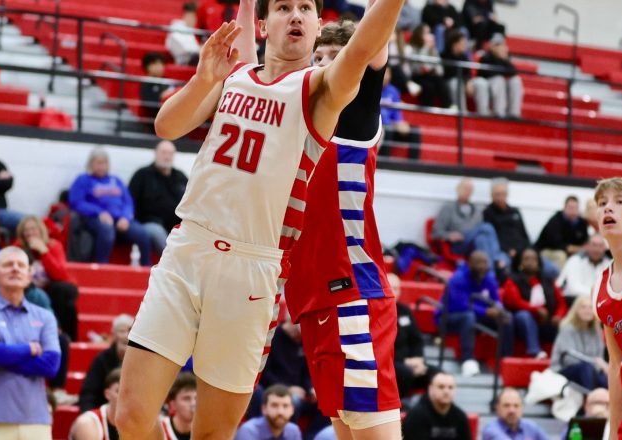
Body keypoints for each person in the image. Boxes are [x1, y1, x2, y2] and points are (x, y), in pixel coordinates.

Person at [117, 0, 406, 437]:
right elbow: (166, 126)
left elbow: (365, 47)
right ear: (266, 24)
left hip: (255, 268)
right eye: (284, 7)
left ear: (318, 24)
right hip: (189, 248)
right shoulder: (235, 75)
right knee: (130, 417)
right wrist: (204, 77)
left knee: (212, 432)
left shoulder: (319, 91)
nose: (295, 15)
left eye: (305, 7)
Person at [260, 6, 402, 438]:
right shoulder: (299, 120)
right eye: (318, 57)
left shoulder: (356, 116)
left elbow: (374, 39)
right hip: (311, 302)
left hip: (351, 294)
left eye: (336, 57)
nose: (324, 65)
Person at [0, 246, 61, 439]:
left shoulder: (45, 316)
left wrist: (1, 357)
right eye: (8, 264)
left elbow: (51, 366)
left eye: (21, 265)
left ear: (29, 275)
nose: (15, 268)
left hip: (36, 422)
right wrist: (29, 349)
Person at [592, 177, 622, 440]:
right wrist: (613, 432)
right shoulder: (600, 287)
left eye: (620, 201)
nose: (608, 207)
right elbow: (617, 366)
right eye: (602, 203)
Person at [69, 147, 151, 266]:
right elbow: (76, 202)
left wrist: (125, 217)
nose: (102, 166)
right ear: (91, 164)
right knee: (107, 230)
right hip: (95, 218)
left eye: (104, 163)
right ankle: (103, 267)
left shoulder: (116, 180)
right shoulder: (83, 180)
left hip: (120, 219)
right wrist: (99, 212)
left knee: (142, 233)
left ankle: (147, 269)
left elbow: (128, 202)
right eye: (98, 163)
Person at [437, 250, 513, 377]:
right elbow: (460, 305)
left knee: (506, 318)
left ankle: (504, 360)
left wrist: (499, 309)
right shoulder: (458, 278)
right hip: (450, 317)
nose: (481, 267)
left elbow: (496, 300)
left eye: (484, 263)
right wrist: (485, 311)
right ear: (470, 264)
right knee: (468, 317)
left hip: (476, 316)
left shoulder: (489, 278)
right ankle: (467, 360)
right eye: (478, 263)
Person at [16, 215, 79, 340]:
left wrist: (44, 252)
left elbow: (60, 275)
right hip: (30, 290)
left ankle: (67, 337)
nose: (30, 233)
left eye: (33, 229)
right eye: (26, 230)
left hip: (52, 289)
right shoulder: (18, 248)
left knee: (64, 293)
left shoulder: (53, 246)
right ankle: (56, 333)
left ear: (41, 230)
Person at [502, 247, 567, 359]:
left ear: (539, 262)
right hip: (521, 324)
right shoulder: (512, 279)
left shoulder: (548, 280)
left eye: (533, 259)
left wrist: (558, 316)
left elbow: (561, 303)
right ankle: (534, 351)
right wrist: (536, 310)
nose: (530, 262)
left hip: (546, 322)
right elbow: (514, 301)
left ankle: (564, 355)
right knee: (524, 316)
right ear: (520, 262)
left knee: (566, 322)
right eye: (526, 259)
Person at [432, 177, 509, 270]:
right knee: (487, 227)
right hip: (459, 244)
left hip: (473, 245)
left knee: (481, 239)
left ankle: (489, 272)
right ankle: (497, 256)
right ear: (458, 189)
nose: (467, 192)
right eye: (465, 188)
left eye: (470, 189)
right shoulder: (448, 208)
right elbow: (435, 232)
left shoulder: (476, 210)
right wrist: (448, 235)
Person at [128, 140, 188, 256]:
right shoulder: (142, 175)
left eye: (170, 153)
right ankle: (172, 259)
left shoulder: (180, 177)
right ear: (156, 153)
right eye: (163, 152)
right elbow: (130, 202)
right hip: (149, 223)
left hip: (176, 224)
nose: (167, 157)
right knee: (157, 232)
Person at [389, 273, 440, 398]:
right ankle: (400, 404)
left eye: (396, 289)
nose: (394, 292)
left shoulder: (405, 311)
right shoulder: (375, 313)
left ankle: (429, 406)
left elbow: (417, 340)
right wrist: (405, 362)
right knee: (405, 373)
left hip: (410, 363)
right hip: (389, 363)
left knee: (437, 375)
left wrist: (419, 360)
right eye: (390, 288)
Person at [550, 295, 607, 391]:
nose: (587, 311)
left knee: (606, 378)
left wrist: (602, 367)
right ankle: (589, 397)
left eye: (590, 308)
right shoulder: (567, 329)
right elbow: (569, 359)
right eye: (583, 307)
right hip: (564, 370)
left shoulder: (596, 331)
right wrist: (595, 362)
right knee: (586, 368)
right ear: (576, 310)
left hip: (590, 370)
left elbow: (600, 357)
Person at [79, 314, 132, 413]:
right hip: (105, 411)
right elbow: (89, 393)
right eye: (121, 331)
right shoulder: (101, 359)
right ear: (113, 335)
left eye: (129, 331)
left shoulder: (142, 360)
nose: (126, 336)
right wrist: (90, 415)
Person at [402, 372, 472, 439]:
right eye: (441, 387)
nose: (446, 391)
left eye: (450, 387)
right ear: (430, 389)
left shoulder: (460, 417)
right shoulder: (415, 416)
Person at [442, 30, 490, 115]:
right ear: (455, 44)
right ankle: (462, 114)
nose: (465, 45)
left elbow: (467, 73)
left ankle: (483, 114)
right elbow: (449, 74)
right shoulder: (444, 56)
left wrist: (468, 81)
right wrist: (465, 81)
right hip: (451, 83)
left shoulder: (464, 57)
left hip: (464, 82)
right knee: (456, 83)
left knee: (481, 82)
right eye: (463, 43)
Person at [536, 195, 589, 271]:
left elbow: (585, 241)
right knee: (561, 256)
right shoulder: (555, 221)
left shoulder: (581, 222)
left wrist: (581, 248)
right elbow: (557, 243)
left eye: (576, 208)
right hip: (548, 250)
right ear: (564, 208)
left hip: (572, 251)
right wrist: (573, 249)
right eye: (571, 208)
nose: (573, 211)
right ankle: (562, 278)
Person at [477, 33, 523, 119]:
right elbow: (487, 73)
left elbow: (513, 72)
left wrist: (504, 59)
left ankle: (514, 114)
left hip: (502, 87)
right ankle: (499, 112)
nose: (500, 47)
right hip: (489, 86)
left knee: (515, 81)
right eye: (497, 45)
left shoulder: (504, 58)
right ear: (492, 46)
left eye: (501, 45)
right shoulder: (486, 57)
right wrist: (498, 58)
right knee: (498, 79)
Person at [380, 66, 421, 160]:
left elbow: (397, 112)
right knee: (388, 129)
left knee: (415, 131)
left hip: (391, 124)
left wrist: (399, 122)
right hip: (378, 126)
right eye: (384, 73)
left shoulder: (394, 91)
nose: (386, 76)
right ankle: (384, 161)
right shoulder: (372, 89)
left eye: (388, 73)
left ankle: (413, 163)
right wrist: (390, 123)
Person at [557, 234, 610, 307]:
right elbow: (574, 289)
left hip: (596, 301)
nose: (596, 249)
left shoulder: (609, 264)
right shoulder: (575, 260)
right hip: (571, 300)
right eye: (594, 245)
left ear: (605, 248)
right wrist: (598, 295)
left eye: (600, 246)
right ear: (587, 246)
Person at [406, 24, 451, 108]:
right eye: (426, 33)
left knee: (441, 82)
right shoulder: (412, 48)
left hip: (430, 76)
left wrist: (433, 51)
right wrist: (425, 47)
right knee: (428, 86)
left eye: (430, 33)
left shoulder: (433, 49)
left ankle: (448, 107)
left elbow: (441, 71)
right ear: (419, 35)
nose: (430, 36)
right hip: (418, 76)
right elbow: (418, 69)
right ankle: (428, 110)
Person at [69, 368, 121, 440]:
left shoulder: (134, 423)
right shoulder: (87, 423)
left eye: (128, 393)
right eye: (118, 391)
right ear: (107, 394)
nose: (124, 397)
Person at [235, 385, 302, 440]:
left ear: (292, 409)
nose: (280, 412)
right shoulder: (249, 430)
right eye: (274, 405)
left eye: (285, 406)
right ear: (264, 409)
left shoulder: (294, 431)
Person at [482, 388, 548, 439]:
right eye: (506, 405)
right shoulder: (491, 430)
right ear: (497, 408)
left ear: (522, 408)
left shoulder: (531, 427)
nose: (512, 410)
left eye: (516, 406)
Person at [159, 373, 197, 440]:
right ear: (173, 404)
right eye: (186, 398)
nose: (193, 403)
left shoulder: (206, 429)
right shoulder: (159, 430)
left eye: (196, 398)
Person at [140, 52, 172, 130]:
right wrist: (162, 97)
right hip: (153, 122)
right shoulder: (145, 84)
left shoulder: (168, 81)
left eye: (161, 64)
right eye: (155, 64)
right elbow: (149, 106)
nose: (160, 67)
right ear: (147, 66)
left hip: (171, 119)